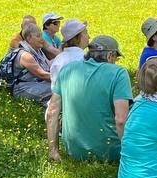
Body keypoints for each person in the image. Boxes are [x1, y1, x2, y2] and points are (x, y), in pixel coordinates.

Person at [49, 34, 132, 162]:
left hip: (74, 151)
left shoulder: (67, 69)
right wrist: (130, 155)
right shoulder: (118, 73)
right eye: (116, 58)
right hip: (110, 152)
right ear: (110, 56)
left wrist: (53, 150)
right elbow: (121, 120)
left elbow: (52, 111)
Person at [45, 18, 89, 152]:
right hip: (81, 110)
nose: (89, 37)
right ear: (78, 38)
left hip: (59, 106)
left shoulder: (59, 59)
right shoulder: (85, 59)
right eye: (86, 33)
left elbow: (54, 90)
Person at [9, 23, 54, 106]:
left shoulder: (37, 50)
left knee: (59, 88)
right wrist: (62, 79)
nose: (42, 39)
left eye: (41, 35)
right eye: (38, 36)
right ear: (29, 38)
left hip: (35, 82)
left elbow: (49, 66)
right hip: (21, 87)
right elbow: (42, 74)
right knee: (58, 89)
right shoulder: (25, 55)